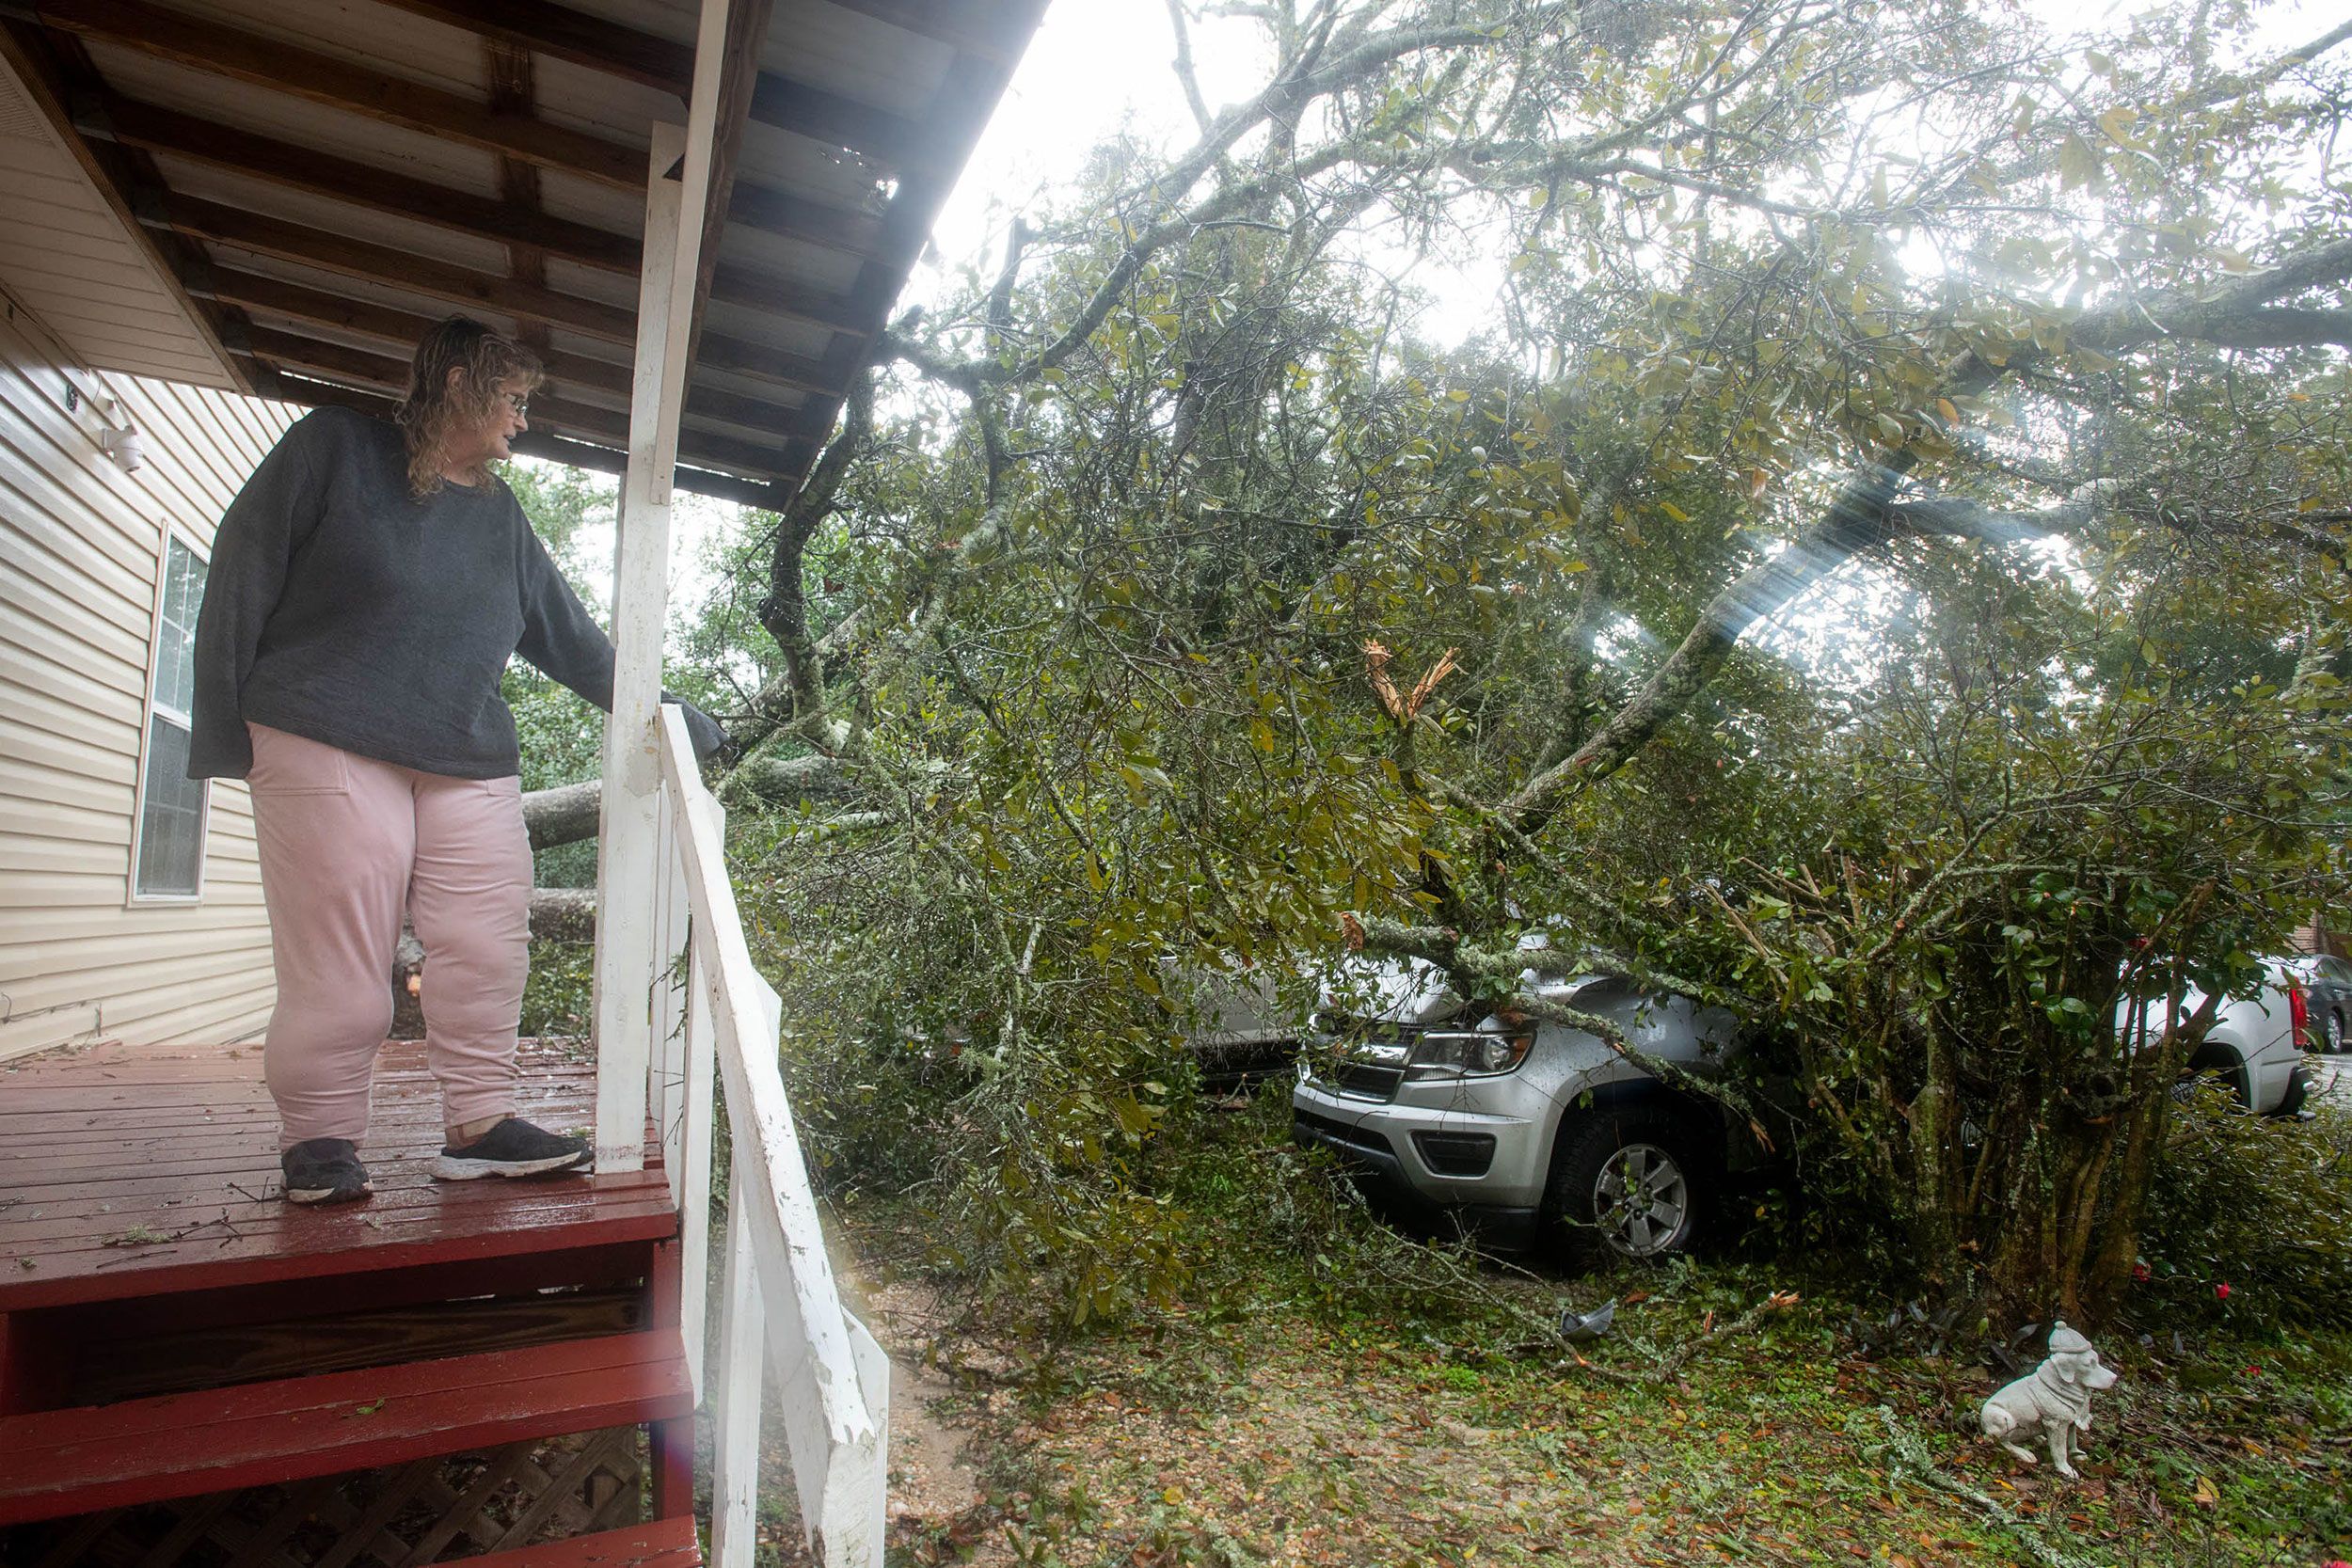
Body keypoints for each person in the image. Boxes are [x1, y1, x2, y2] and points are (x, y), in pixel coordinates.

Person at [189, 316, 726, 1205]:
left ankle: (479, 1125)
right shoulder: (335, 449)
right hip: (322, 731)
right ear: (457, 382)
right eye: (512, 399)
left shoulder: (502, 520)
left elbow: (576, 641)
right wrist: (219, 729)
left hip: (466, 753)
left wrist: (669, 710)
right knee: (343, 963)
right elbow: (240, 570)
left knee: (485, 939)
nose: (521, 421)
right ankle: (320, 1138)